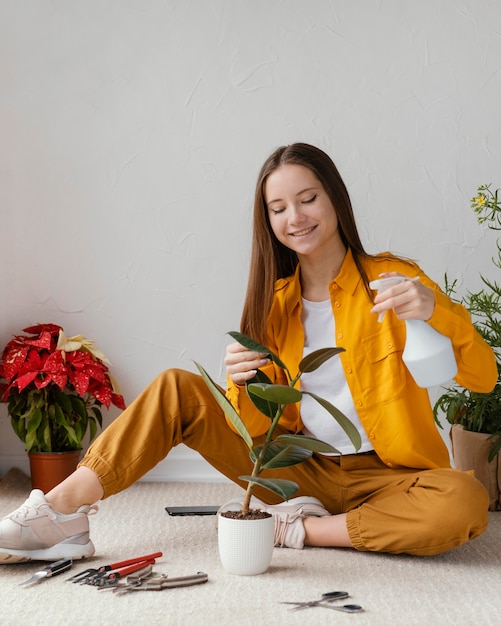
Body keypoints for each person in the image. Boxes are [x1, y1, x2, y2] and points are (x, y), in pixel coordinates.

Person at [0, 143, 496, 563]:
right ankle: (61, 512)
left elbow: (483, 378)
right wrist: (242, 385)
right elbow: (258, 434)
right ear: (268, 220)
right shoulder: (273, 304)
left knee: (465, 502)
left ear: (336, 201)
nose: (295, 217)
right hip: (298, 470)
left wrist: (436, 310)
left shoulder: (393, 279)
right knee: (179, 385)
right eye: (278, 209)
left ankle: (299, 530)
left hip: (394, 479)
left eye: (308, 199)